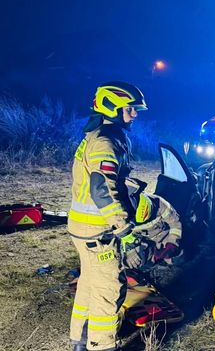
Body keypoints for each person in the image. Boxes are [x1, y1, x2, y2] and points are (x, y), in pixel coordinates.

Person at [68, 82, 148, 351]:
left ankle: (80, 341)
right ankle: (101, 346)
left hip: (84, 227)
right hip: (97, 230)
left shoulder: (98, 135)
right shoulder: (105, 142)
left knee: (90, 283)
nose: (134, 114)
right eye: (130, 109)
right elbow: (102, 189)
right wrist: (124, 231)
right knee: (108, 288)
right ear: (112, 107)